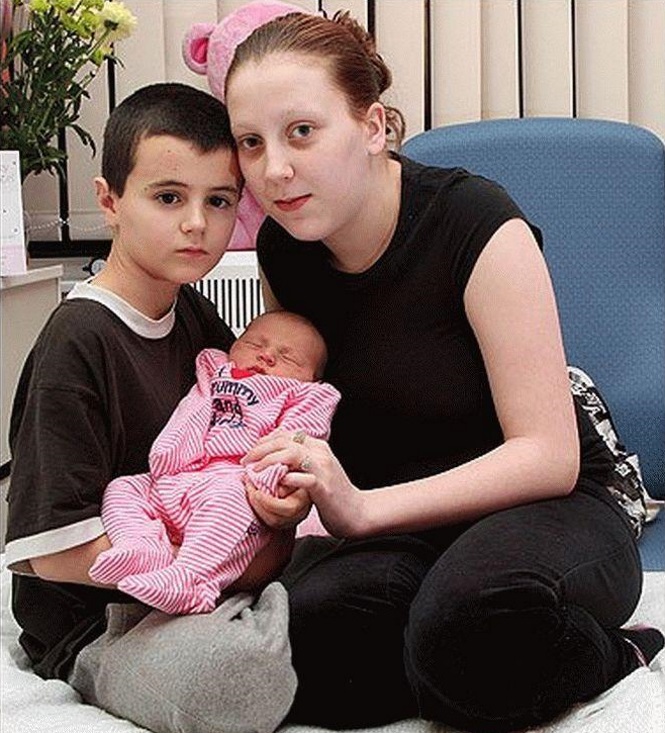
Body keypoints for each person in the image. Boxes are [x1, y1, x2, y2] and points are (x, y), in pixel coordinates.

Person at [222, 8, 665, 733]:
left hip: (550, 500)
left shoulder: (478, 223)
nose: (273, 170)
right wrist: (288, 491)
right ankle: (444, 654)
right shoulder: (283, 248)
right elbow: (304, 406)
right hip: (403, 514)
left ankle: (615, 652)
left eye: (301, 131)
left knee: (467, 625)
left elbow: (547, 456)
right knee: (297, 641)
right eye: (251, 142)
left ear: (372, 127)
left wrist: (362, 511)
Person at [4, 82, 297, 733]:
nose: (197, 223)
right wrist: (227, 559)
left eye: (219, 201)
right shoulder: (79, 340)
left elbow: (241, 433)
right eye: (168, 197)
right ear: (109, 201)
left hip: (210, 579)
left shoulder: (191, 311)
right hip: (100, 619)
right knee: (228, 678)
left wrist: (280, 511)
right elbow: (51, 552)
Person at [89, 310, 340, 615]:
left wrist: (267, 479)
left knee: (229, 498)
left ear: (313, 379)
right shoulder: (216, 371)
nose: (266, 356)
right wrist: (169, 455)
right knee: (124, 488)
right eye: (254, 344)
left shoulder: (305, 395)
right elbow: (192, 408)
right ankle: (141, 547)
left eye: (288, 358)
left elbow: (299, 438)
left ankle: (192, 580)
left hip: (239, 483)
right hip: (181, 476)